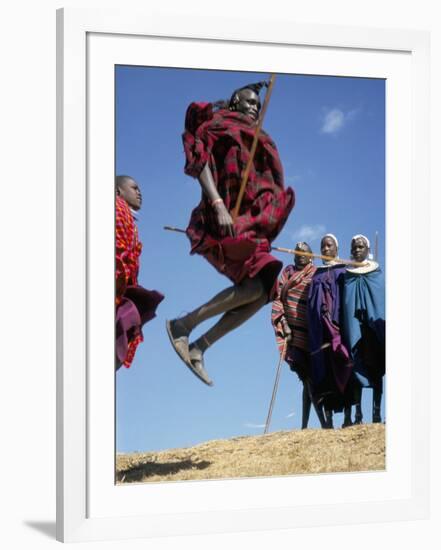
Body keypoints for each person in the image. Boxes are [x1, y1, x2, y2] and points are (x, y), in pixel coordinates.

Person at [166, 81, 295, 386]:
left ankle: (197, 344)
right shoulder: (218, 126)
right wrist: (218, 202)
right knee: (260, 282)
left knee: (262, 292)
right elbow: (199, 163)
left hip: (249, 222)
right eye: (249, 102)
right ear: (236, 101)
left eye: (258, 105)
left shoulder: (259, 137)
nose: (254, 107)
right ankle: (184, 325)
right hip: (224, 216)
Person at [271, 242, 327, 429]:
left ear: (311, 256)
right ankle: (322, 423)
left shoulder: (317, 273)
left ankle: (305, 424)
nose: (300, 255)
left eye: (304, 252)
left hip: (313, 332)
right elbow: (278, 299)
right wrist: (284, 324)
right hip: (293, 334)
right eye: (296, 252)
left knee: (309, 380)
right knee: (306, 377)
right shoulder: (287, 272)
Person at [307, 234, 358, 428]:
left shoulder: (344, 271)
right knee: (324, 373)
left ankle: (348, 416)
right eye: (322, 246)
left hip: (340, 328)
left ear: (336, 249)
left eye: (329, 246)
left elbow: (349, 299)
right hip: (321, 331)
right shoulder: (316, 274)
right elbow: (311, 303)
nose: (325, 249)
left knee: (345, 367)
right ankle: (328, 419)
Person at [115, 175, 164, 371]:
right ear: (118, 192)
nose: (139, 192)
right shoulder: (117, 209)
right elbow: (117, 252)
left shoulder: (127, 216)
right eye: (134, 188)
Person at [342, 235, 385, 423]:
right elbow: (345, 302)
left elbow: (380, 299)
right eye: (354, 247)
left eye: (361, 247)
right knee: (356, 368)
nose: (357, 250)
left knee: (376, 368)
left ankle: (376, 412)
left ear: (367, 249)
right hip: (355, 329)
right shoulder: (347, 275)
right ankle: (358, 413)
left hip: (372, 329)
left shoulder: (376, 273)